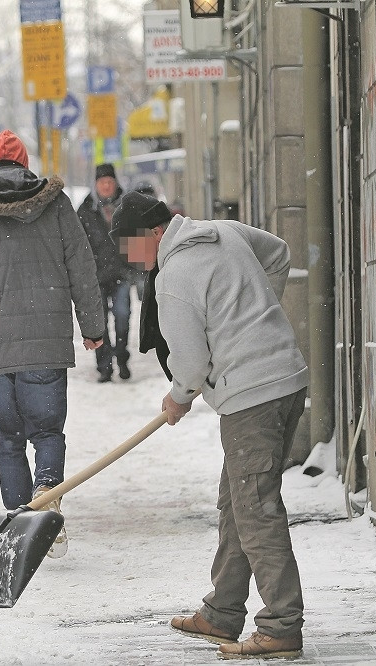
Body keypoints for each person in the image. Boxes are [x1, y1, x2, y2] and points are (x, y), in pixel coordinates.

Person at [111, 191, 309, 660]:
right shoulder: (222, 231)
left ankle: (281, 624)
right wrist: (260, 316)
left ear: (154, 234)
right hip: (283, 379)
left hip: (252, 395)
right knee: (237, 501)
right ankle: (222, 611)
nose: (127, 257)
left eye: (127, 245)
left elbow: (192, 362)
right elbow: (279, 253)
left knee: (256, 509)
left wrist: (179, 397)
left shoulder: (174, 276)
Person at [0, 129, 105, 558]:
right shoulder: (56, 205)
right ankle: (47, 493)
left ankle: (20, 526)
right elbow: (82, 267)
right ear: (25, 163)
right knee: (47, 430)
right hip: (46, 341)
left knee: (9, 438)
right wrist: (93, 326)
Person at [76, 163, 142, 383]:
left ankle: (121, 357)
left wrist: (135, 268)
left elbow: (137, 238)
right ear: (96, 184)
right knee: (100, 323)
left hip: (122, 273)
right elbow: (78, 245)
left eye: (109, 182)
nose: (106, 186)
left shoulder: (127, 206)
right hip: (95, 278)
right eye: (102, 182)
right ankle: (104, 366)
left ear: (115, 183)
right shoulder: (85, 210)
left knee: (123, 317)